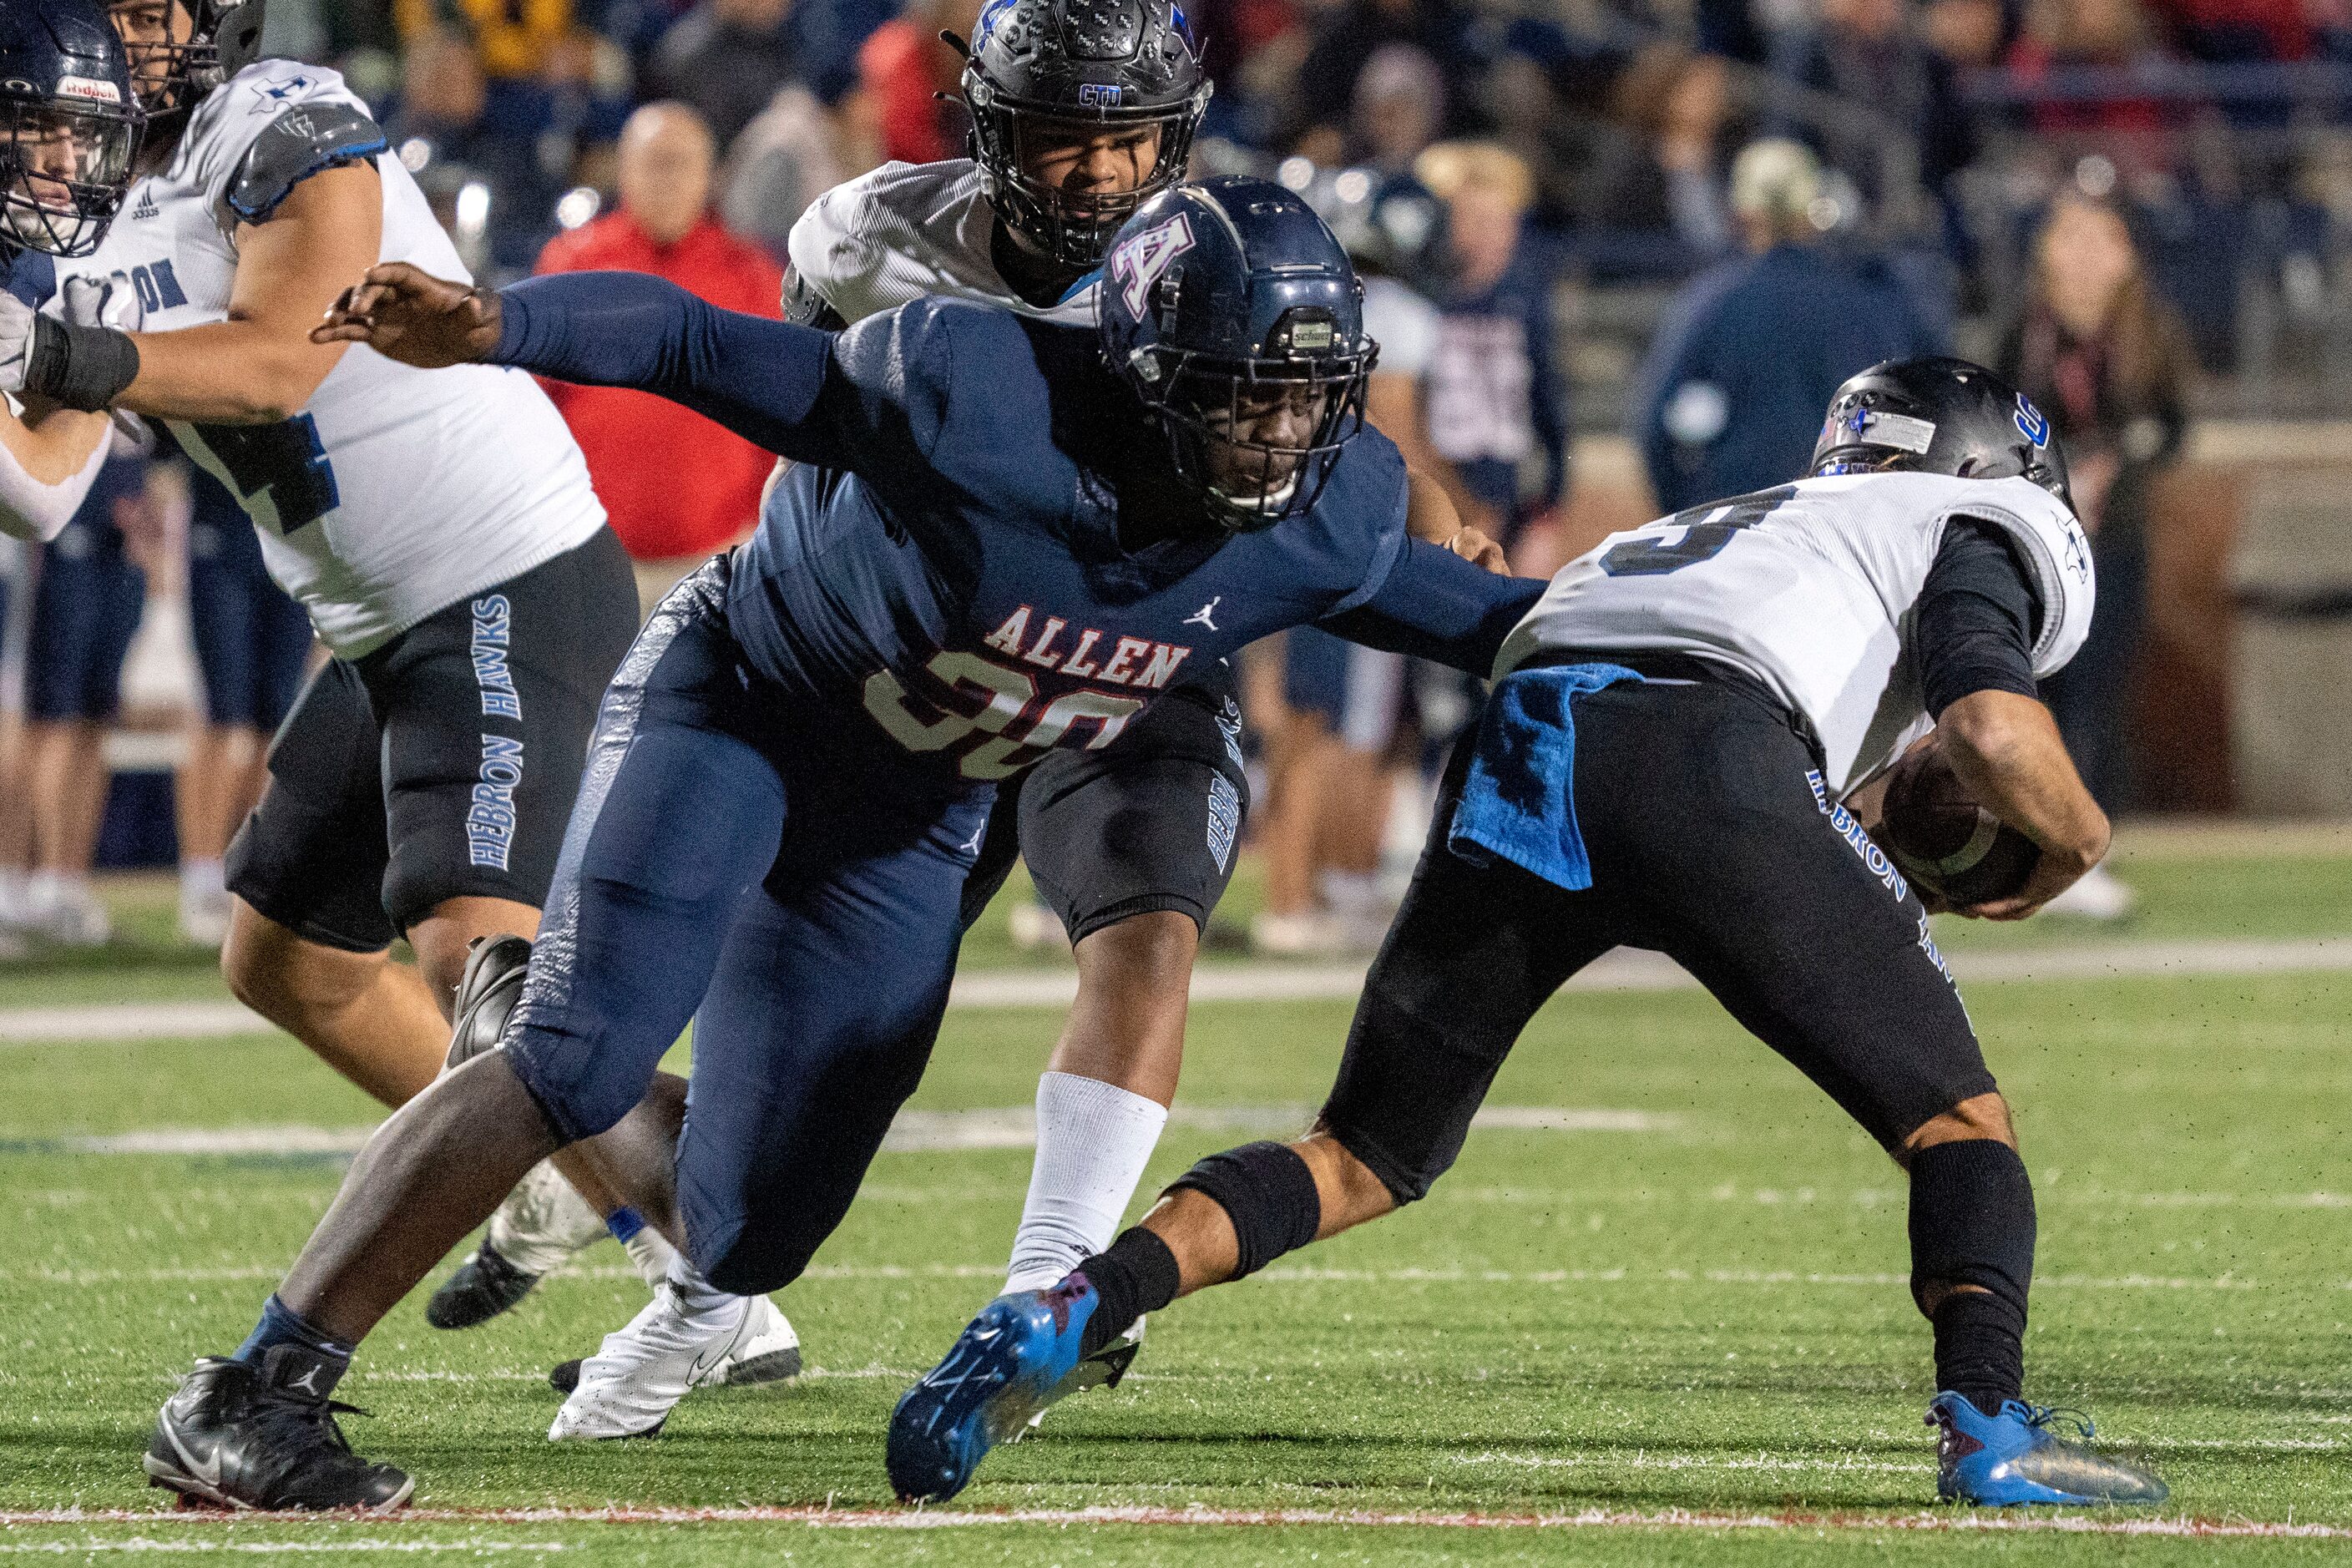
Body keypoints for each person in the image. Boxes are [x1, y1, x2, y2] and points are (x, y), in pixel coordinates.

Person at [140, 175, 1544, 1512]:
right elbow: (695, 339)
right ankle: (259, 1382)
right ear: (1141, 366)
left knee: (747, 1231)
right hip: (744, 709)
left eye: (1305, 399)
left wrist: (1710, 620)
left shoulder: (1324, 514)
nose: (1275, 439)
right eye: (1243, 398)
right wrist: (498, 322)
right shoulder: (975, 392)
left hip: (905, 824)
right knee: (579, 1054)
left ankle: (522, 1005)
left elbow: (1501, 621)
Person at [888, 359, 2170, 1512]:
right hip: (1703, 746)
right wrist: (2073, 846)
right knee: (1958, 1125)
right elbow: (1995, 729)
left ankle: (1070, 1306)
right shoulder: (1975, 523)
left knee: (1360, 1152)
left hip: (1526, 741)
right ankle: (1988, 1427)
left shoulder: (1719, 529)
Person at [0, 0, 661, 1332]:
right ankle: (539, 1176)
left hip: (502, 569)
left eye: (144, 10)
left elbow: (278, 369)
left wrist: (53, 351)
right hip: (381, 625)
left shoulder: (278, 119)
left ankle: (707, 1265)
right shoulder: (83, 218)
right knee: (288, 962)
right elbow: (42, 491)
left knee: (490, 970)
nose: (118, 43)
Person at [1996, 191, 2192, 921]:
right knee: (2036, 693)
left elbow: (2171, 427)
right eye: (2068, 236)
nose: (2082, 253)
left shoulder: (2150, 332)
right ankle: (2028, 846)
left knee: (2099, 697)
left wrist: (2120, 461)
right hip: (2036, 544)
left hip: (2114, 544)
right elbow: (1991, 422)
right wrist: (2056, 474)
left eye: (2100, 237)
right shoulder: (2022, 332)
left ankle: (2085, 850)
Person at [533, 102, 783, 616]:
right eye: (655, 163)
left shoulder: (750, 274)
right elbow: (534, 409)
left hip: (718, 561)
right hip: (595, 563)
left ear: (709, 176)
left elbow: (777, 412)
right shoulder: (573, 264)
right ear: (623, 171)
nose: (669, 179)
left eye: (683, 163)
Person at [1634, 139, 1942, 516]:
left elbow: (1654, 428)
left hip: (1738, 530)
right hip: (1846, 529)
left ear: (1742, 213)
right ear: (1810, 209)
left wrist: (1688, 513)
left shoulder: (1712, 302)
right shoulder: (1874, 300)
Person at [175, 450, 313, 947]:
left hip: (291, 539)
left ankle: (251, 876)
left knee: (276, 724)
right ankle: (200, 876)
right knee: (221, 717)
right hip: (223, 533)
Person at [1413, 141, 1568, 574]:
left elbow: (1548, 408)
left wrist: (1546, 516)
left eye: (1504, 222)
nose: (1494, 235)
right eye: (1477, 220)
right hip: (1433, 500)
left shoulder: (1524, 299)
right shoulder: (1420, 301)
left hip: (1508, 501)